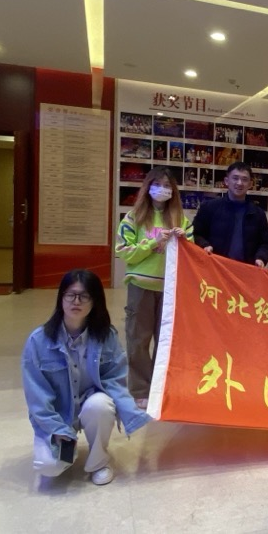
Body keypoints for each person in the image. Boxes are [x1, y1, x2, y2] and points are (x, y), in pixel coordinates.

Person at [21, 269, 152, 486]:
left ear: (95, 301)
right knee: (49, 467)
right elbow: (37, 397)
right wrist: (57, 429)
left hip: (90, 403)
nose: (76, 301)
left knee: (101, 405)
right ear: (61, 298)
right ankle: (66, 446)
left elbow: (115, 379)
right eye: (70, 295)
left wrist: (130, 412)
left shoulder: (106, 336)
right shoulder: (39, 341)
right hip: (58, 414)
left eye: (84, 296)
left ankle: (98, 461)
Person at [116, 167, 193, 408]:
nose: (162, 189)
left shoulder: (181, 219)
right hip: (141, 286)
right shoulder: (134, 218)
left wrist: (184, 241)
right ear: (148, 187)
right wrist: (152, 243)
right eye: (157, 184)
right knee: (138, 339)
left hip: (170, 289)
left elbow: (193, 254)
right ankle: (140, 389)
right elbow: (123, 251)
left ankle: (162, 387)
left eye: (167, 185)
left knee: (166, 341)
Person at [193, 161, 268, 267]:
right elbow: (195, 233)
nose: (239, 183)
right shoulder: (209, 207)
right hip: (215, 268)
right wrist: (205, 245)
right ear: (226, 181)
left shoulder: (258, 214)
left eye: (244, 179)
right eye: (235, 178)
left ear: (250, 184)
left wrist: (260, 258)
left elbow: (265, 243)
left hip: (245, 270)